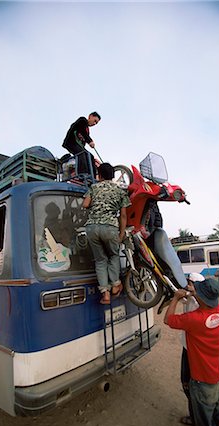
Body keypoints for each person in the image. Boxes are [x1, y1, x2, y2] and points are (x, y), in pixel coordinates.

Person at [164, 278, 219, 426]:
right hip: (215, 377)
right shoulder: (218, 311)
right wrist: (195, 294)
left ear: (202, 299)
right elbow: (203, 302)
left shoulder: (194, 319)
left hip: (201, 380)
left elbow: (168, 319)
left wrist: (175, 298)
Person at [83, 162, 131, 304]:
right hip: (110, 228)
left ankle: (105, 294)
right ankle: (116, 285)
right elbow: (123, 216)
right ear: (112, 175)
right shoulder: (120, 191)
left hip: (92, 228)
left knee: (100, 260)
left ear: (99, 175)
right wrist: (121, 234)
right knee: (113, 256)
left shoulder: (93, 187)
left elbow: (85, 204)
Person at [179, 272, 205, 426]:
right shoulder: (191, 298)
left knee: (189, 383)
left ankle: (197, 419)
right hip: (187, 346)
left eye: (189, 283)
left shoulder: (197, 304)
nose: (187, 285)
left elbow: (169, 320)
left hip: (192, 349)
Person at [62, 112, 101, 178]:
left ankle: (92, 176)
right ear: (90, 116)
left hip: (78, 145)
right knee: (82, 153)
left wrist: (87, 141)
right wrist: (90, 141)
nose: (94, 124)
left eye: (96, 123)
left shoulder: (87, 130)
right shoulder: (82, 121)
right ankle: (82, 174)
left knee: (90, 156)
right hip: (71, 142)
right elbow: (82, 131)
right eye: (95, 121)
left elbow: (84, 138)